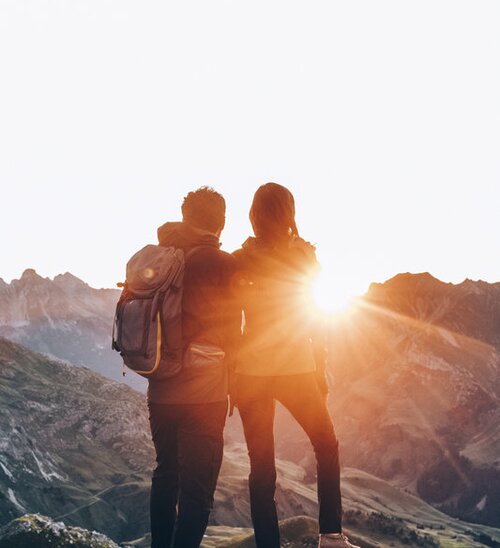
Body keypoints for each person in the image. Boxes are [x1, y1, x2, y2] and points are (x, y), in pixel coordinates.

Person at [232, 183, 359, 548]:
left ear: (253, 215)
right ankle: (331, 536)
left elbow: (229, 318)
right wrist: (320, 370)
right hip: (295, 367)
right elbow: (315, 317)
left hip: (251, 372)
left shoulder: (241, 259)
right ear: (289, 213)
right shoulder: (303, 256)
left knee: (262, 466)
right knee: (327, 445)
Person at [147, 186, 240, 548]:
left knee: (165, 475)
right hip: (205, 395)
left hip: (160, 389)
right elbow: (234, 333)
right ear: (222, 223)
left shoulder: (163, 259)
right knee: (197, 493)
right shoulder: (222, 263)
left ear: (185, 218)